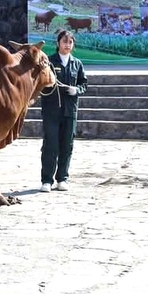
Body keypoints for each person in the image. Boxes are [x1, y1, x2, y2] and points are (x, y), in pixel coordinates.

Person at [40, 30, 87, 193]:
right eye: (64, 42)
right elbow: (39, 82)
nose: (67, 45)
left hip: (70, 111)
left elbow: (84, 84)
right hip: (51, 110)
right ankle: (47, 180)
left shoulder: (77, 64)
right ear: (58, 43)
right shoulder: (49, 62)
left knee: (67, 145)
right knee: (50, 145)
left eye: (70, 42)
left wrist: (77, 90)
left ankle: (62, 178)